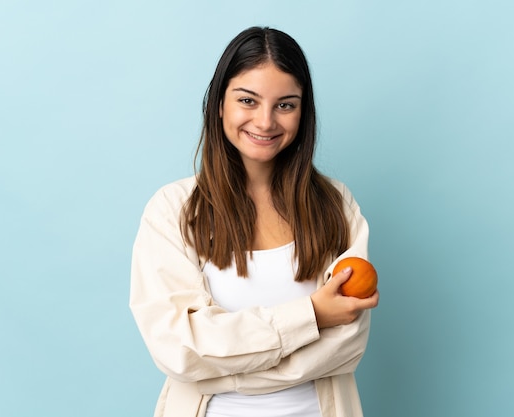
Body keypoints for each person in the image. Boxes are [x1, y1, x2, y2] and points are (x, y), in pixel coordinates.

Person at [130, 26, 379, 417]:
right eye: (248, 100)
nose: (265, 122)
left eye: (285, 104)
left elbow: (348, 343)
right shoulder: (173, 211)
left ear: (303, 111)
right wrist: (311, 315)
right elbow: (180, 349)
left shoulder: (335, 204)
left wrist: (223, 368)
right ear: (219, 104)